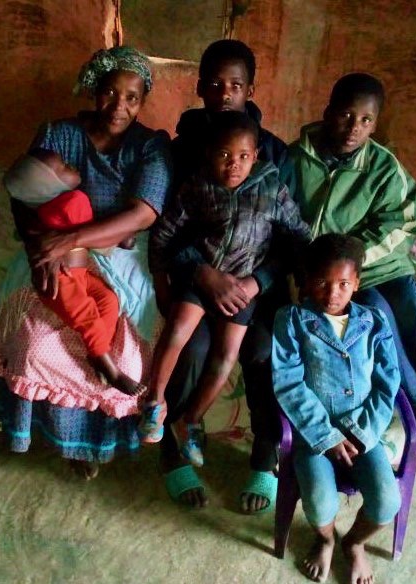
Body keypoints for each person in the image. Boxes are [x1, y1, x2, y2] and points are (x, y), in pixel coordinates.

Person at [279, 72, 416, 466]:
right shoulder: (294, 159)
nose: (354, 128)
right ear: (327, 112)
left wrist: (358, 257)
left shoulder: (382, 167)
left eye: (366, 120)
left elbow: (405, 221)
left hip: (378, 264)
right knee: (376, 317)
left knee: (414, 306)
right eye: (345, 115)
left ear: (376, 123)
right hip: (328, 276)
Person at [0, 46, 171, 480]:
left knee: (124, 350)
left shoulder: (151, 145)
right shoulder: (57, 133)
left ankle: (98, 441)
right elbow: (23, 196)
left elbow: (143, 214)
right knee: (36, 341)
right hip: (52, 248)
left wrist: (71, 240)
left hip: (120, 253)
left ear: (142, 100)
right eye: (110, 93)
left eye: (132, 97)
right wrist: (40, 249)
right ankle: (63, 442)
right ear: (95, 90)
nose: (119, 106)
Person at [159, 39, 292, 513]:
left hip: (254, 284)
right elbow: (167, 224)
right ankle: (173, 448)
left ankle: (265, 455)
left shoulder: (273, 152)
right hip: (199, 277)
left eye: (235, 85)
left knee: (261, 350)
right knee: (192, 348)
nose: (223, 94)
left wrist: (258, 282)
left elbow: (288, 236)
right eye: (213, 84)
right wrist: (200, 270)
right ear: (199, 88)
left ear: (250, 89)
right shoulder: (181, 151)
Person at [144, 111, 310, 468]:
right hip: (199, 276)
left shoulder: (272, 187)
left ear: (256, 156)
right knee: (178, 332)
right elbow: (164, 234)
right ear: (208, 154)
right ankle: (155, 404)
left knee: (226, 356)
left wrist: (278, 278)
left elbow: (298, 235)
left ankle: (191, 421)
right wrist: (161, 274)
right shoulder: (197, 185)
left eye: (243, 157)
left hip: (244, 289)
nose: (233, 165)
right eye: (223, 155)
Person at [272, 233, 401, 584]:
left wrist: (362, 433)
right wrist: (325, 436)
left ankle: (354, 544)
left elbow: (387, 382)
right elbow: (288, 382)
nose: (332, 293)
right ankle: (325, 538)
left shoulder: (374, 321)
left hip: (364, 431)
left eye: (344, 283)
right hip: (314, 433)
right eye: (322, 282)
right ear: (308, 281)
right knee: (318, 501)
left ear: (356, 283)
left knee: (388, 501)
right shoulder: (292, 319)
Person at [3, 148, 143, 395]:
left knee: (108, 299)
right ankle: (112, 371)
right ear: (47, 185)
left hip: (77, 274)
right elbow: (91, 233)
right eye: (64, 167)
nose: (72, 166)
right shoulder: (72, 201)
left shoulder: (48, 208)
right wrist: (120, 238)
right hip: (61, 279)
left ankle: (99, 352)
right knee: (88, 315)